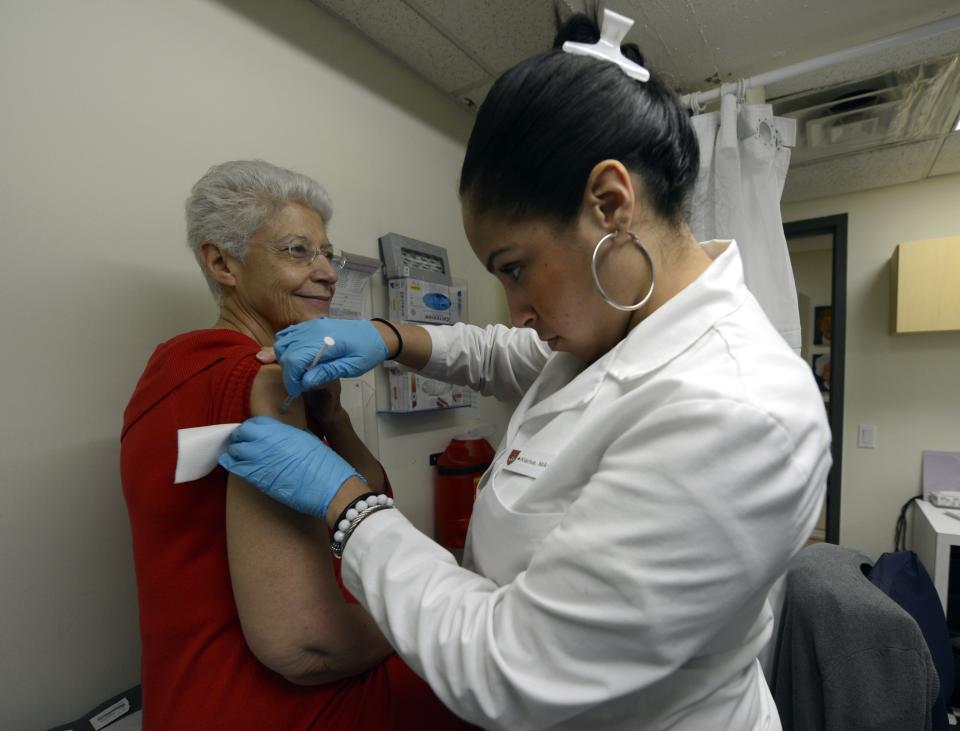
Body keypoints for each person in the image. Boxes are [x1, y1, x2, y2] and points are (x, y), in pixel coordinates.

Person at [220, 12, 831, 731]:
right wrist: (389, 337)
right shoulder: (621, 324)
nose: (515, 311)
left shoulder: (739, 410)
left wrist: (348, 504)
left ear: (610, 203)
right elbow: (517, 358)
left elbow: (515, 666)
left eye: (515, 269)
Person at [120, 160, 473, 730]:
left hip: (182, 700)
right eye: (297, 251)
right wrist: (429, 621)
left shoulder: (175, 366)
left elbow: (371, 490)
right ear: (221, 263)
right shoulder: (259, 378)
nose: (329, 272)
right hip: (274, 706)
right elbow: (309, 646)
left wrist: (332, 418)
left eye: (327, 253)